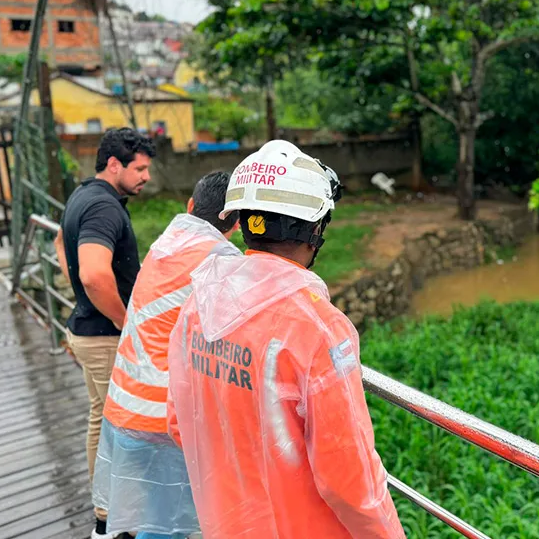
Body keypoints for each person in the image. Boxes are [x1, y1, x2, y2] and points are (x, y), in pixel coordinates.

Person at [167, 140, 405, 539]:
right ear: (315, 230)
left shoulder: (199, 306)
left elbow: (179, 422)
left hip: (227, 524)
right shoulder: (318, 328)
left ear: (243, 222)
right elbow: (349, 479)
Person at [91, 171, 241, 539]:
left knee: (153, 518)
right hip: (162, 419)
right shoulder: (221, 260)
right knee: (166, 525)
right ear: (237, 224)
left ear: (190, 206)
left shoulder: (166, 242)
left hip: (124, 406)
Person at [53, 127, 155, 539]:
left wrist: (82, 295)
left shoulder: (83, 194)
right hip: (105, 337)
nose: (146, 177)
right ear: (114, 165)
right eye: (140, 169)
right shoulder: (103, 207)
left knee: (103, 421)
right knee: (125, 428)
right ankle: (111, 521)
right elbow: (94, 274)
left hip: (85, 329)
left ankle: (106, 515)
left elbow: (60, 243)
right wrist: (122, 320)